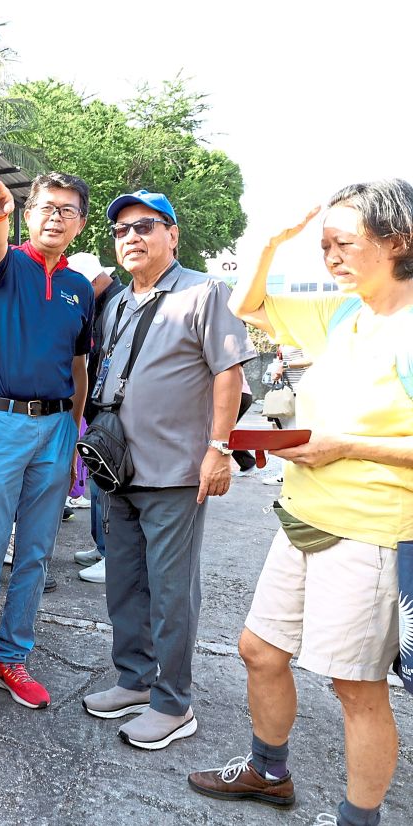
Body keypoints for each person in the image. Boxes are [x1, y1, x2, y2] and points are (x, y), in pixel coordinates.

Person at [188, 180, 413, 826]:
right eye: (323, 246)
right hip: (303, 518)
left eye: (342, 243)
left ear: (397, 242)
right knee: (259, 649)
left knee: (356, 689)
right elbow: (246, 304)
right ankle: (268, 771)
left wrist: (346, 445)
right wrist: (271, 244)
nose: (330, 258)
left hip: (370, 532)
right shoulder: (346, 313)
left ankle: (357, 820)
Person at [80, 189, 253, 750]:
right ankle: (134, 679)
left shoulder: (204, 291)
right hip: (119, 469)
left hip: (176, 472)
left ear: (172, 235)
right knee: (125, 583)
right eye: (121, 229)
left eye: (145, 226)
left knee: (172, 590)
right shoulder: (118, 302)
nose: (131, 237)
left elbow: (227, 372)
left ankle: (173, 702)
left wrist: (219, 448)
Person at [0, 173, 94, 726]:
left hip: (56, 428)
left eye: (68, 210)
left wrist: (74, 432)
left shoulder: (79, 289)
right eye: (46, 208)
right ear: (28, 214)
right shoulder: (3, 264)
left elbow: (80, 362)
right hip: (0, 422)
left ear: (80, 224)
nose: (56, 217)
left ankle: (12, 658)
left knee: (35, 554)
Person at [67, 251, 125, 586]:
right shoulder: (105, 303)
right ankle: (102, 547)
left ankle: (112, 556)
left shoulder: (116, 303)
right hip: (98, 409)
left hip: (109, 410)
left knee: (106, 485)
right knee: (97, 483)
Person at [261, 343, 312, 486]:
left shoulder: (300, 336)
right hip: (287, 391)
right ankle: (287, 474)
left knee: (293, 436)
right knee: (285, 434)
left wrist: (284, 365)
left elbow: (311, 359)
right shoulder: (284, 337)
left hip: (299, 391)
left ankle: (291, 475)